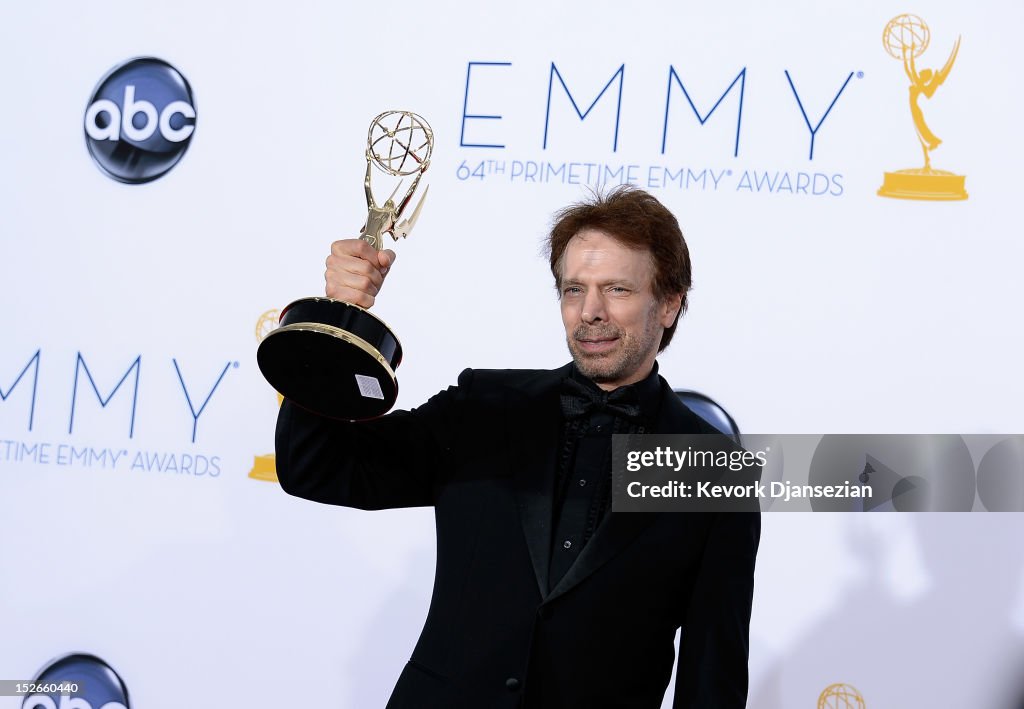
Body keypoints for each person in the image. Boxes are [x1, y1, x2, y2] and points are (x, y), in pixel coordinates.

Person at [275, 185, 760, 708]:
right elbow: (316, 466)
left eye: (616, 289)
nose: (590, 312)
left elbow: (712, 676)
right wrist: (335, 319)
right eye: (574, 290)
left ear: (668, 304)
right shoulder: (485, 408)